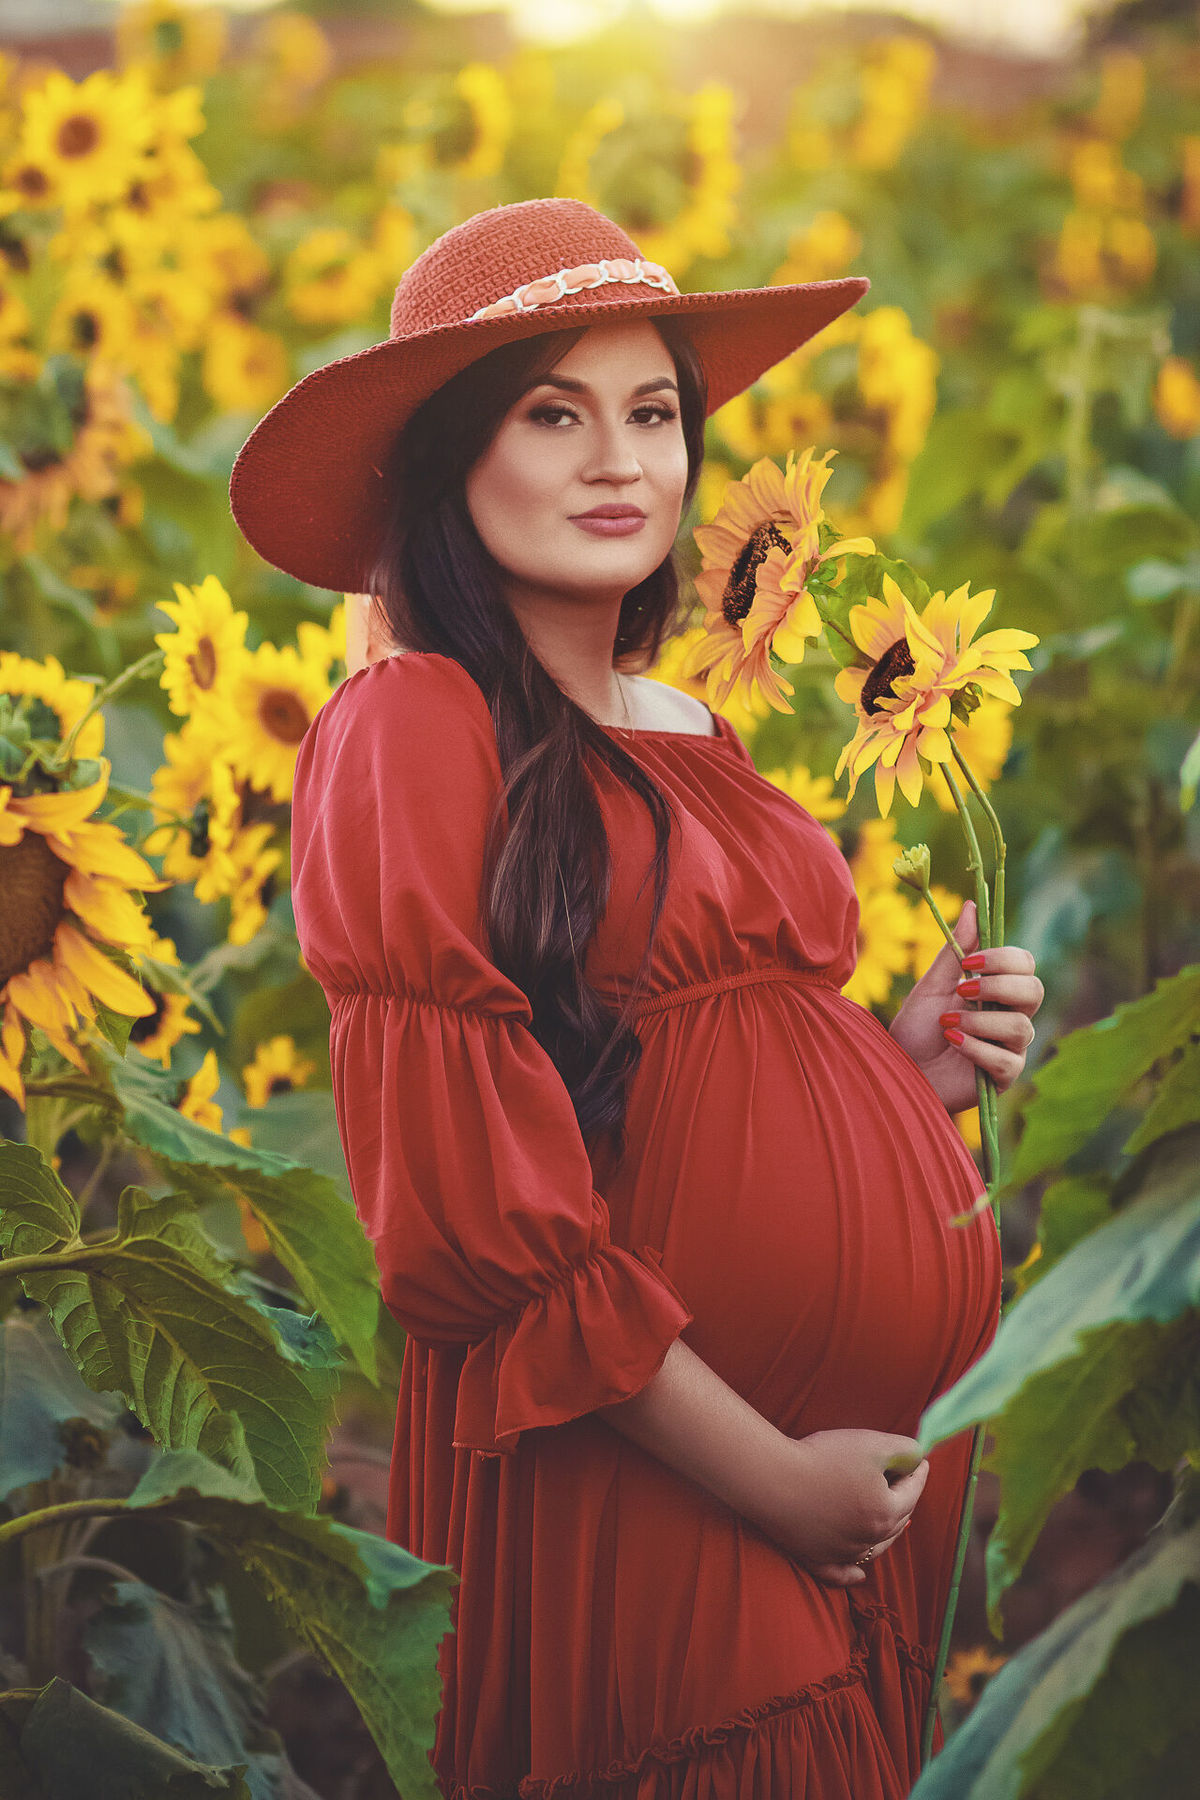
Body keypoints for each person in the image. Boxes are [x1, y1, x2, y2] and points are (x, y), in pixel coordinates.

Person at [229, 198, 1043, 1798]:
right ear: (449, 464)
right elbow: (473, 1220)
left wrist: (900, 1069)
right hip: (655, 1462)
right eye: (553, 413)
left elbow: (678, 1068)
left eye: (655, 413)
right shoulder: (414, 719)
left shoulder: (677, 716)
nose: (623, 462)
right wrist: (768, 1481)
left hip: (828, 1477)